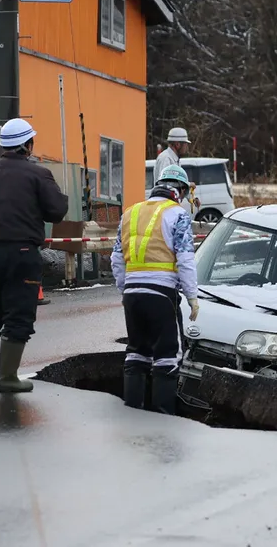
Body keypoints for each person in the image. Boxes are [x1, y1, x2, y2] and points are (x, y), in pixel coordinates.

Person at [0, 118, 69, 393]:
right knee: (19, 314)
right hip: (23, 253)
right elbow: (56, 211)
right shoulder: (38, 174)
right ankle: (7, 377)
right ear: (27, 145)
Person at [111, 164, 199, 415]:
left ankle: (133, 410)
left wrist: (125, 289)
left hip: (132, 293)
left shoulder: (131, 212)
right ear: (179, 191)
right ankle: (162, 416)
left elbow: (117, 258)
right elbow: (185, 259)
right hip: (161, 292)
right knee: (168, 355)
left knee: (137, 352)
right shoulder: (177, 214)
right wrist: (192, 297)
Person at [155, 127, 200, 213]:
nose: (186, 147)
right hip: (164, 207)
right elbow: (166, 183)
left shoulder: (174, 159)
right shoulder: (166, 158)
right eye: (185, 144)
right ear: (177, 144)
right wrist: (189, 184)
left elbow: (179, 184)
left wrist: (192, 199)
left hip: (169, 205)